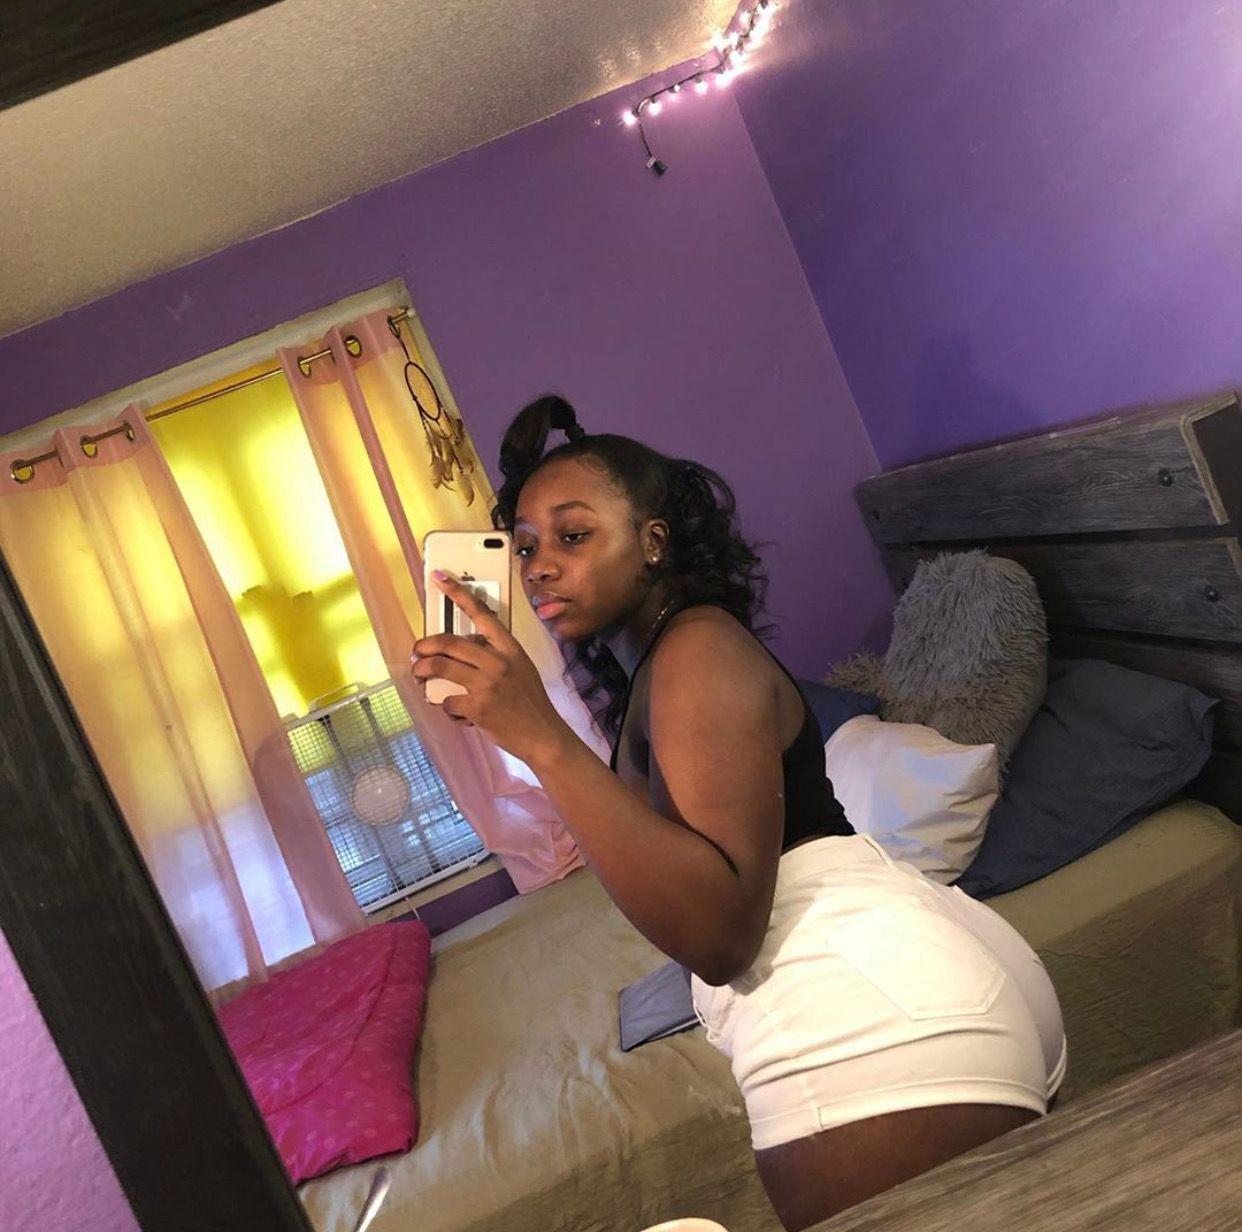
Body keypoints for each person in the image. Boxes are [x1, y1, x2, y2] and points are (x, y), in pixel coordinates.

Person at [410, 395, 1065, 1230]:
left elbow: (721, 937)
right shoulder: (668, 662)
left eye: (573, 536)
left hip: (866, 1019)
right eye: (528, 546)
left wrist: (542, 741)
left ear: (653, 541)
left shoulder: (696, 651)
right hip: (893, 986)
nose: (538, 566)